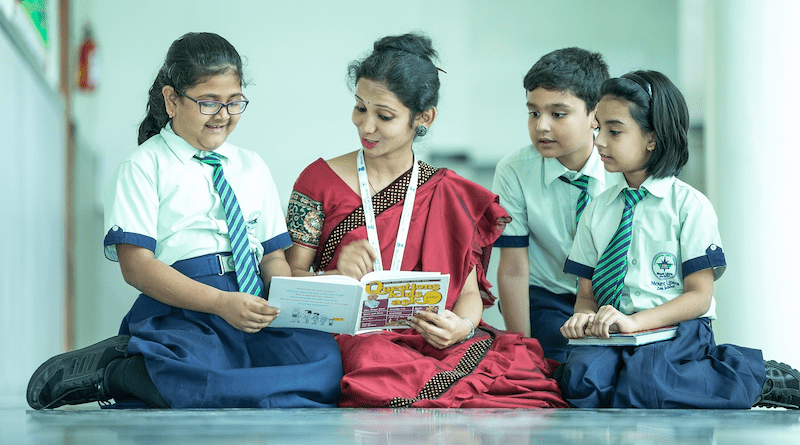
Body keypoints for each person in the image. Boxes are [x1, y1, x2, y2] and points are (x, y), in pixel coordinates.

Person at [27, 32, 342, 410]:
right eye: (209, 102)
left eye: (234, 102)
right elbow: (138, 268)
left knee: (324, 368)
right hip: (187, 304)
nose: (223, 115)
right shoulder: (144, 166)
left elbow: (272, 256)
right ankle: (117, 372)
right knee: (195, 379)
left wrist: (284, 296)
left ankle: (181, 375)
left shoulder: (252, 166)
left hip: (252, 299)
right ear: (172, 99)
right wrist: (221, 303)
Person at [285, 32, 568, 409]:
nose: (366, 126)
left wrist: (461, 327)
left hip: (436, 339)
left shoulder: (447, 192)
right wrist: (333, 275)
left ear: (424, 118)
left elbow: (468, 294)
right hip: (355, 338)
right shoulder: (319, 180)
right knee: (378, 366)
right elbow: (284, 283)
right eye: (360, 108)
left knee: (523, 383)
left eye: (384, 116)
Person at [558, 70, 800, 409]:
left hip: (675, 327)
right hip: (615, 331)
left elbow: (699, 297)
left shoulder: (689, 206)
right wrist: (584, 316)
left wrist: (635, 323)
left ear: (652, 139)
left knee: (646, 386)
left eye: (613, 131)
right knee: (579, 383)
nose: (598, 141)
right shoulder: (597, 210)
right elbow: (586, 294)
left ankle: (759, 377)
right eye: (598, 128)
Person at [491, 47, 620, 362]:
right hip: (550, 300)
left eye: (557, 114)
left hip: (615, 299)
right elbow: (513, 269)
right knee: (563, 368)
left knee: (628, 371)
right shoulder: (515, 171)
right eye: (534, 112)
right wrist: (523, 351)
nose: (541, 127)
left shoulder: (622, 166)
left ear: (595, 116)